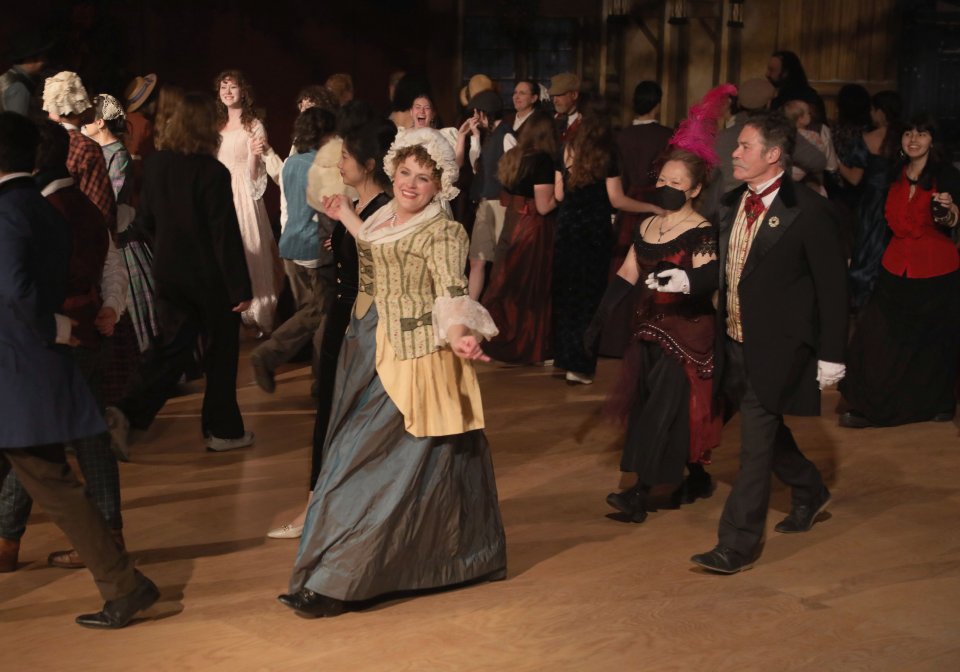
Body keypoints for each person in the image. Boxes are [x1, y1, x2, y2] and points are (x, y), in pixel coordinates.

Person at [278, 128, 506, 617]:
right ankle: (349, 570)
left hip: (415, 358)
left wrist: (462, 333)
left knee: (368, 468)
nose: (411, 183)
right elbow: (380, 245)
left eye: (424, 178)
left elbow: (449, 292)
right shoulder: (383, 214)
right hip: (370, 347)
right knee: (361, 463)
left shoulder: (444, 231)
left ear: (439, 184)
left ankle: (337, 582)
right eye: (405, 172)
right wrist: (346, 217)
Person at [0, 110, 159, 628]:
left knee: (56, 487)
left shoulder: (11, 210)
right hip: (29, 369)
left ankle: (125, 585)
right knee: (57, 485)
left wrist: (56, 329)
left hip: (18, 370)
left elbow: (16, 295)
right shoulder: (38, 207)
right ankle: (125, 583)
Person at [685, 110, 847, 574]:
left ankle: (735, 544)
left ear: (773, 156)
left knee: (754, 444)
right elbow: (723, 266)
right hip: (732, 341)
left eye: (745, 147)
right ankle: (810, 489)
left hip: (778, 347)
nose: (733, 152)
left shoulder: (811, 213)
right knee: (765, 431)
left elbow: (834, 289)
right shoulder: (733, 201)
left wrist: (832, 355)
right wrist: (688, 281)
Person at [592, 85, 733, 524]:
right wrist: (598, 319)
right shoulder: (648, 223)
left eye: (676, 183)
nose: (666, 187)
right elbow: (629, 273)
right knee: (659, 409)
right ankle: (693, 477)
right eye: (662, 180)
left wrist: (687, 278)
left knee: (665, 411)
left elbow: (710, 277)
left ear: (694, 190)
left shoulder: (702, 229)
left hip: (687, 334)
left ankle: (641, 494)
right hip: (649, 327)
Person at [106, 93, 254, 457]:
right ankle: (222, 430)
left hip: (168, 273)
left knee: (171, 348)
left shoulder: (157, 166)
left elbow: (145, 222)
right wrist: (240, 288)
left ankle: (125, 411)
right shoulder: (212, 172)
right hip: (211, 279)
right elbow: (224, 235)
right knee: (221, 353)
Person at [267, 119, 395, 539]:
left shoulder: (384, 209)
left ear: (369, 163)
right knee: (331, 412)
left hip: (358, 321)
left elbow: (379, 261)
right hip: (345, 316)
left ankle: (317, 510)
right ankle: (321, 503)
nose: (338, 163)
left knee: (338, 413)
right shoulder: (361, 204)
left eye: (345, 157)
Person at [839, 114, 960, 428]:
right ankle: (871, 404)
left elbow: (952, 219)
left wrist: (946, 211)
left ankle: (939, 403)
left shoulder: (946, 176)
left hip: (936, 270)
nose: (914, 139)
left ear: (933, 140)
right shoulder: (892, 173)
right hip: (894, 265)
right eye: (908, 133)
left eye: (922, 133)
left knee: (932, 343)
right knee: (877, 338)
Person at [552, 99, 664, 385]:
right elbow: (616, 199)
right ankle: (579, 366)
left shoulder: (566, 149)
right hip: (593, 233)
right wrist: (651, 208)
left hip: (566, 229)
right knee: (589, 300)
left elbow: (560, 195)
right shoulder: (607, 153)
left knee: (566, 296)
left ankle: (564, 358)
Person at [250, 106, 340, 395]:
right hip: (315, 248)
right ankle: (271, 355)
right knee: (320, 313)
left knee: (314, 314)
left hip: (291, 246)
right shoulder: (321, 166)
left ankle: (320, 381)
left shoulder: (291, 163)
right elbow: (327, 210)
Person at [601, 80, 674, 358]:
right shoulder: (667, 135)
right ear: (658, 103)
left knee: (624, 271)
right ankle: (648, 335)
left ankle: (616, 338)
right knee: (652, 271)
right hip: (657, 206)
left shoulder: (621, 137)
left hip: (628, 206)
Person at [481, 110, 558, 364]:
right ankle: (527, 345)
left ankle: (500, 338)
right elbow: (545, 206)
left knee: (506, 280)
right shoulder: (543, 160)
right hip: (532, 225)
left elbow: (505, 197)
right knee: (530, 285)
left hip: (512, 220)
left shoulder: (515, 156)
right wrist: (563, 193)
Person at [215, 69, 281, 336]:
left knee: (250, 245)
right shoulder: (216, 125)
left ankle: (259, 314)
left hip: (242, 191)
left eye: (233, 87)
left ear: (243, 91)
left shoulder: (254, 124)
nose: (228, 91)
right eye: (223, 87)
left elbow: (256, 173)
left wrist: (254, 158)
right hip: (221, 190)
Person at [840, 90, 903, 311]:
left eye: (873, 109)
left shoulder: (868, 138)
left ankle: (863, 302)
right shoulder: (906, 138)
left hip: (872, 204)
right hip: (900, 200)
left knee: (867, 250)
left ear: (880, 112)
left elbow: (854, 179)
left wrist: (833, 162)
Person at [41, 71, 117, 230]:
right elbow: (100, 206)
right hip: (79, 234)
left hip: (45, 229)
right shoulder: (86, 146)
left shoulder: (39, 141)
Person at [460, 90, 509, 299]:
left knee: (501, 259)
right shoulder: (489, 136)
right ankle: (471, 308)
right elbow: (477, 168)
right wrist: (475, 137)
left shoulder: (506, 135)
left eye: (476, 113)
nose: (474, 117)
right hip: (484, 202)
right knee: (477, 259)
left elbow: (514, 168)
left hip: (500, 202)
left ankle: (499, 306)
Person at [0, 32, 51, 117]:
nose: (44, 61)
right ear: (30, 59)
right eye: (42, 57)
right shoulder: (18, 86)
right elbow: (17, 125)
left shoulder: (7, 75)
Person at [502, 78, 540, 153]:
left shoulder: (539, 122)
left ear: (534, 98)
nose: (516, 97)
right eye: (515, 93)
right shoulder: (507, 120)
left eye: (522, 93)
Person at [549, 72, 581, 145]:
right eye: (553, 96)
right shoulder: (552, 119)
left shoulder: (585, 123)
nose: (555, 101)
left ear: (574, 95)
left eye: (559, 95)